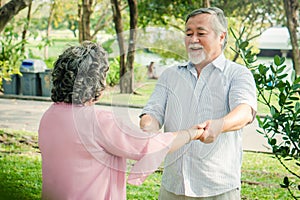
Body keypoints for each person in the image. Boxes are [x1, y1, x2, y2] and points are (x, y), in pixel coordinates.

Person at [38, 41, 205, 200]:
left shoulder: (49, 115)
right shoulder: (98, 121)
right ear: (96, 83)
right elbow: (148, 145)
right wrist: (192, 133)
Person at [140, 7, 257, 199]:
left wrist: (220, 125)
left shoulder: (237, 74)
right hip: (172, 186)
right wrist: (148, 126)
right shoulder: (170, 75)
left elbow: (244, 111)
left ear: (221, 37)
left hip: (217, 188)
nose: (193, 40)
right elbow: (153, 112)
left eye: (201, 33)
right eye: (188, 34)